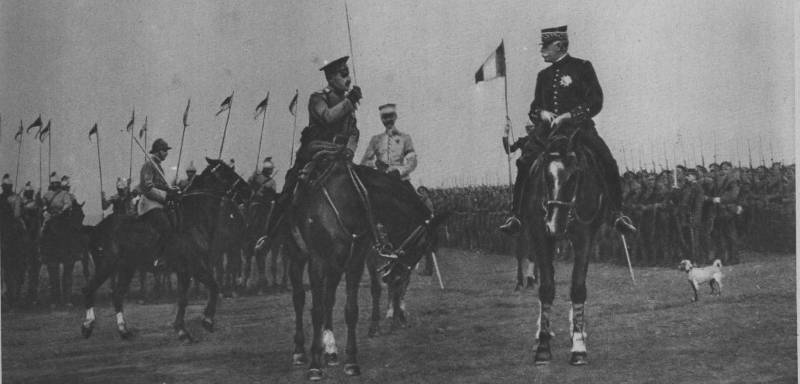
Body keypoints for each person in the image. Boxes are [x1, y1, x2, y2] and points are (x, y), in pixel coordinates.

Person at [499, 25, 636, 235]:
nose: (542, 50)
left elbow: (596, 101)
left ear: (560, 45)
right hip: (547, 134)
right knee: (524, 162)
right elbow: (534, 108)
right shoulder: (542, 76)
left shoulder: (582, 67)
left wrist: (570, 115)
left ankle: (617, 214)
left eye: (546, 46)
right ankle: (516, 215)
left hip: (579, 130)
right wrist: (541, 113)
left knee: (607, 161)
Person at [267, 55, 362, 235]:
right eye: (343, 74)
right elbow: (327, 117)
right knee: (290, 187)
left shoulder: (349, 103)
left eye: (348, 74)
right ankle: (269, 235)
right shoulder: (317, 98)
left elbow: (354, 131)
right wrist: (349, 102)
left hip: (342, 155)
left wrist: (350, 149)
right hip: (317, 151)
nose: (348, 78)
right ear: (330, 78)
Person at [137, 138, 180, 269]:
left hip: (158, 203)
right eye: (165, 150)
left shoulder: (158, 165)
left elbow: (160, 185)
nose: (166, 153)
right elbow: (147, 188)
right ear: (158, 151)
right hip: (150, 204)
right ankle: (159, 258)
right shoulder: (149, 165)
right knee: (166, 227)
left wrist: (170, 189)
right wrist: (165, 198)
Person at [360, 103, 418, 190]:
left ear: (395, 117)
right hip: (380, 181)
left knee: (417, 201)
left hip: (401, 181)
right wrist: (377, 166)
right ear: (381, 119)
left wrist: (399, 171)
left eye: (390, 116)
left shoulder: (405, 138)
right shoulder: (375, 140)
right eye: (385, 117)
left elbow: (412, 162)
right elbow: (364, 162)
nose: (388, 120)